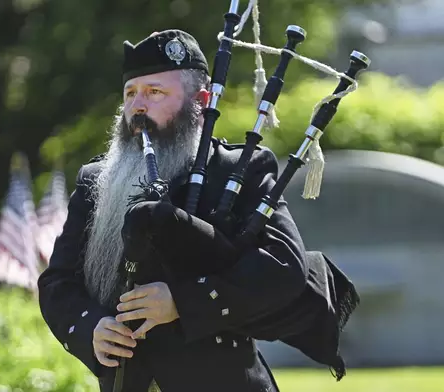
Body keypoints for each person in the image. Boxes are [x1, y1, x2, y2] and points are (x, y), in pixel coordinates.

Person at [38, 29, 310, 392]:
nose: (137, 106)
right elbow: (58, 282)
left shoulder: (238, 168)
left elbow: (284, 267)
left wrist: (183, 302)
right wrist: (91, 327)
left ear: (199, 102)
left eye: (154, 92)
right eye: (130, 93)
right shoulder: (96, 179)